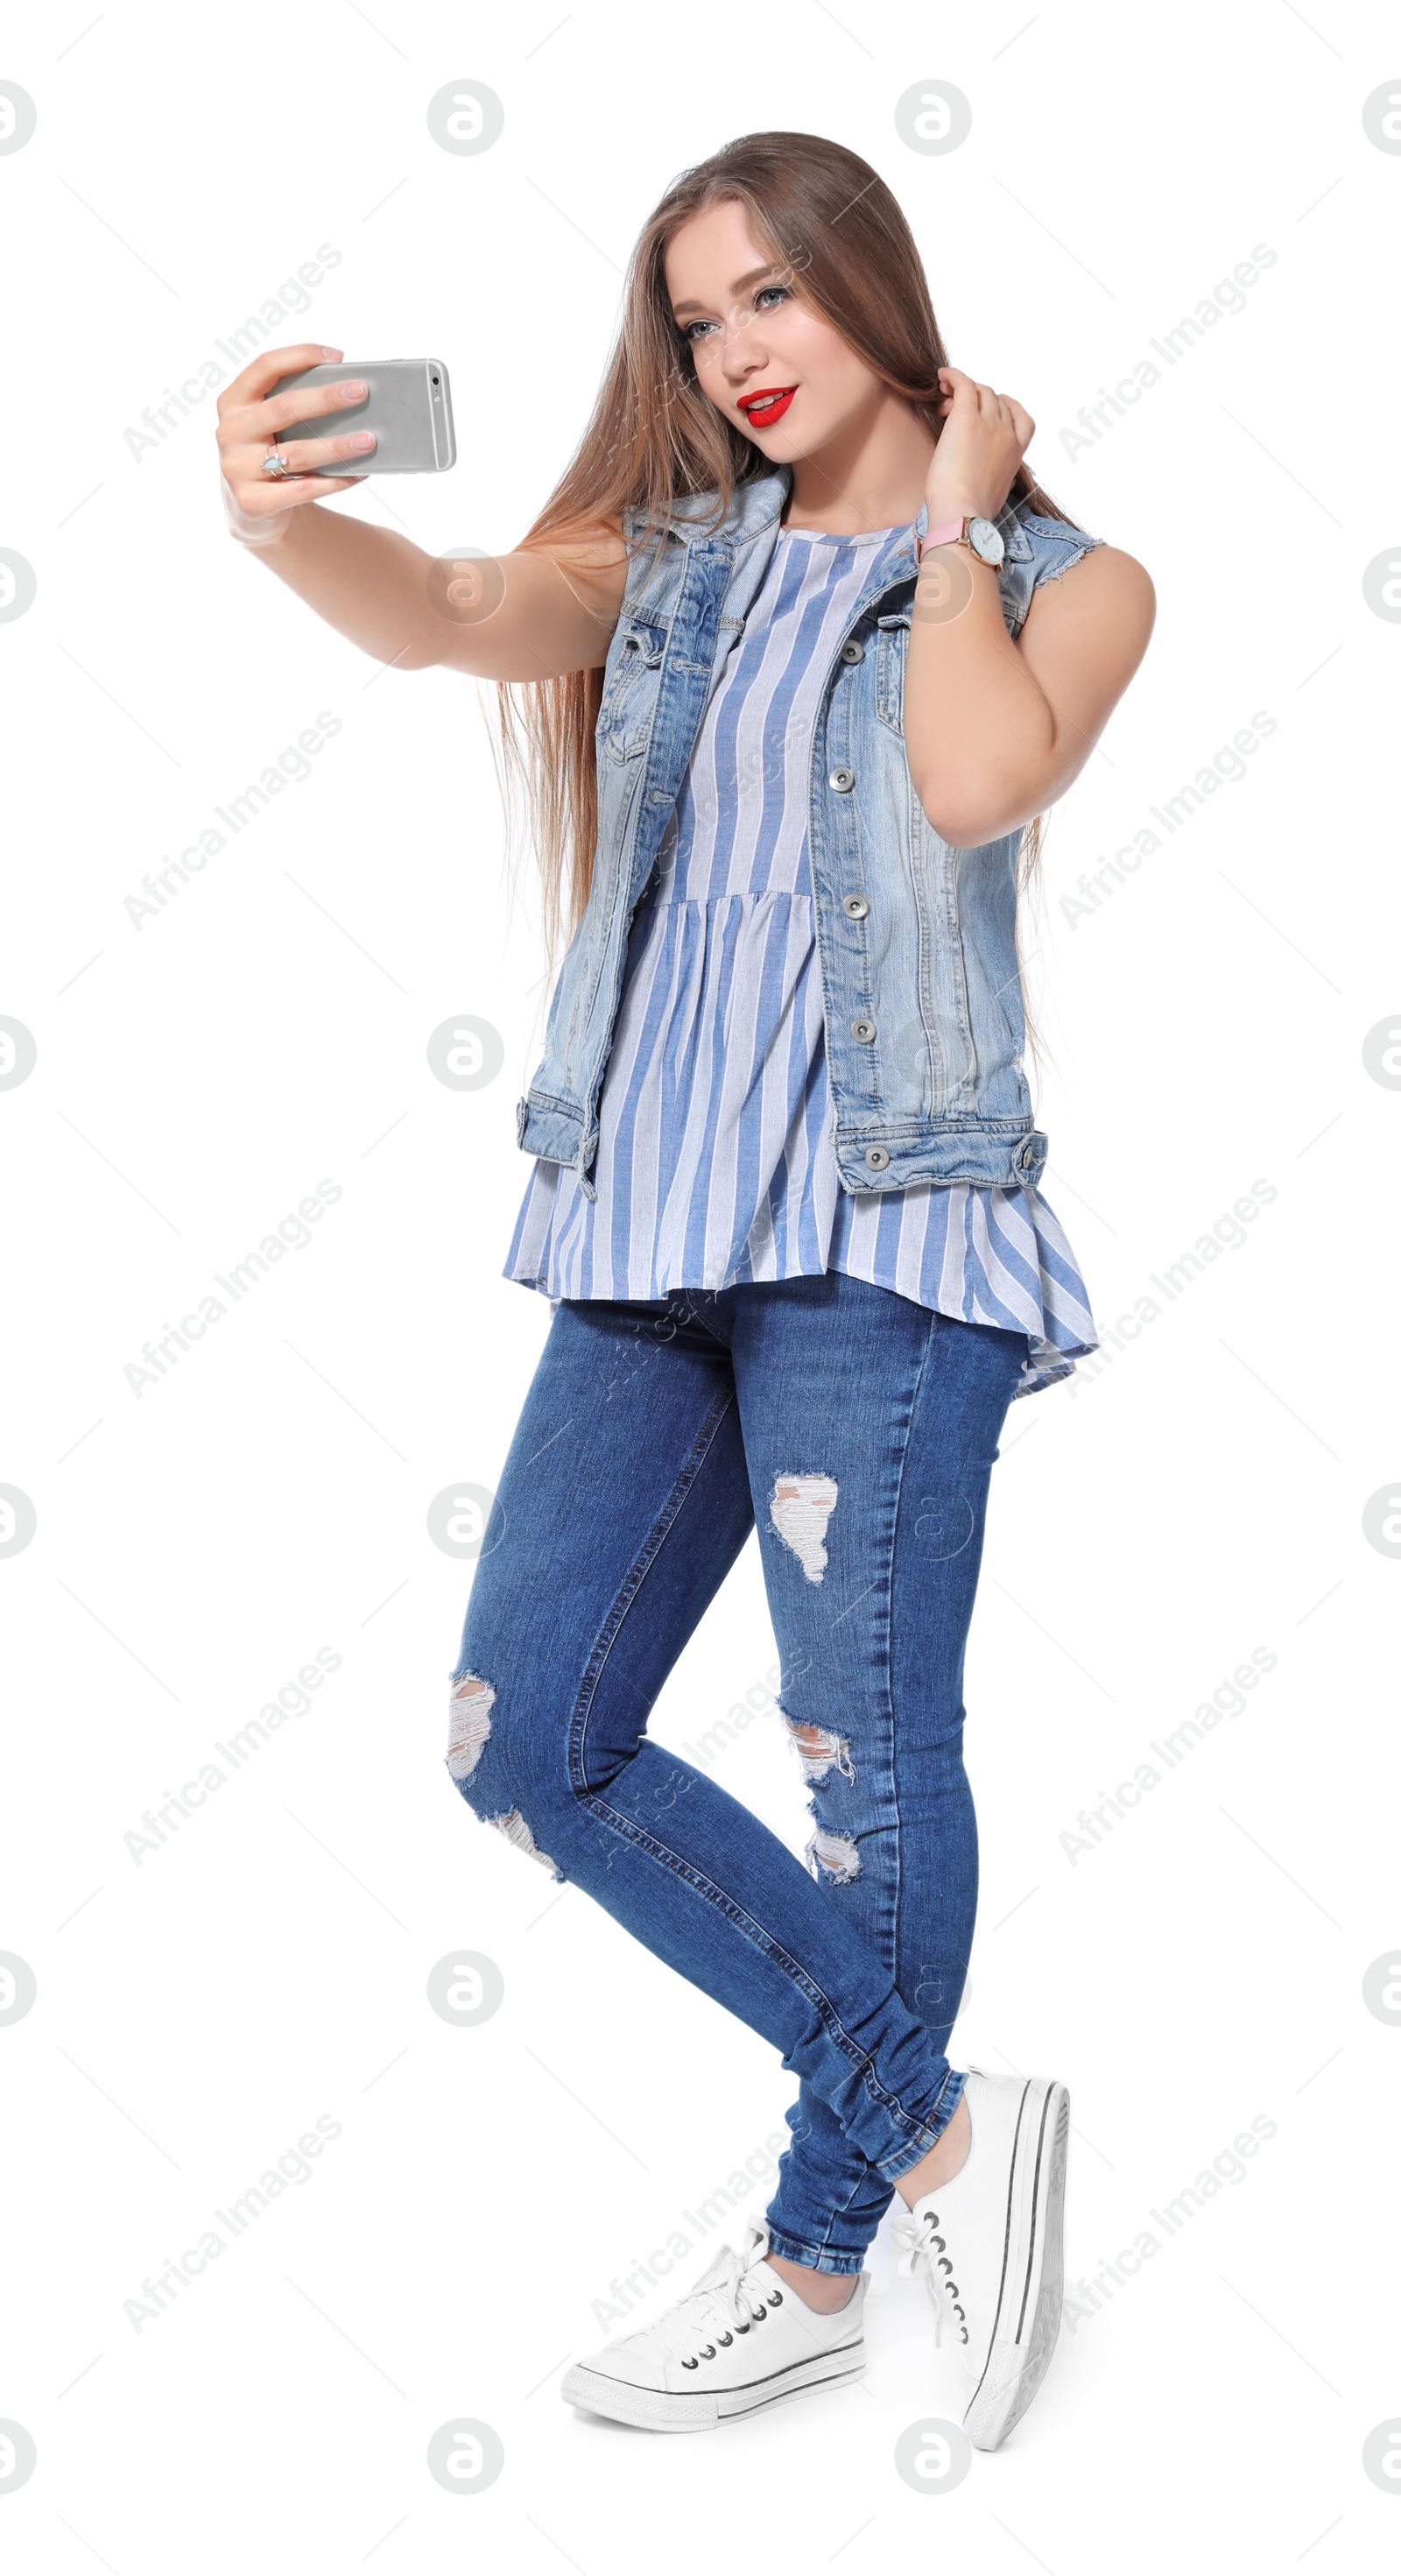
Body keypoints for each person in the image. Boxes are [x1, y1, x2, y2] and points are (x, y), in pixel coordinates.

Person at [217, 131, 1154, 2448]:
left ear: (871, 287)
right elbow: (446, 608)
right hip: (646, 1234)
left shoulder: (1074, 576)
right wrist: (279, 522)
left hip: (885, 1241)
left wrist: (943, 533)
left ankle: (821, 2253)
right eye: (700, 313)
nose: (736, 351)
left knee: (865, 1774)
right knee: (520, 1737)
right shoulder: (668, 567)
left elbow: (968, 785)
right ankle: (948, 2131)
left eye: (774, 298)